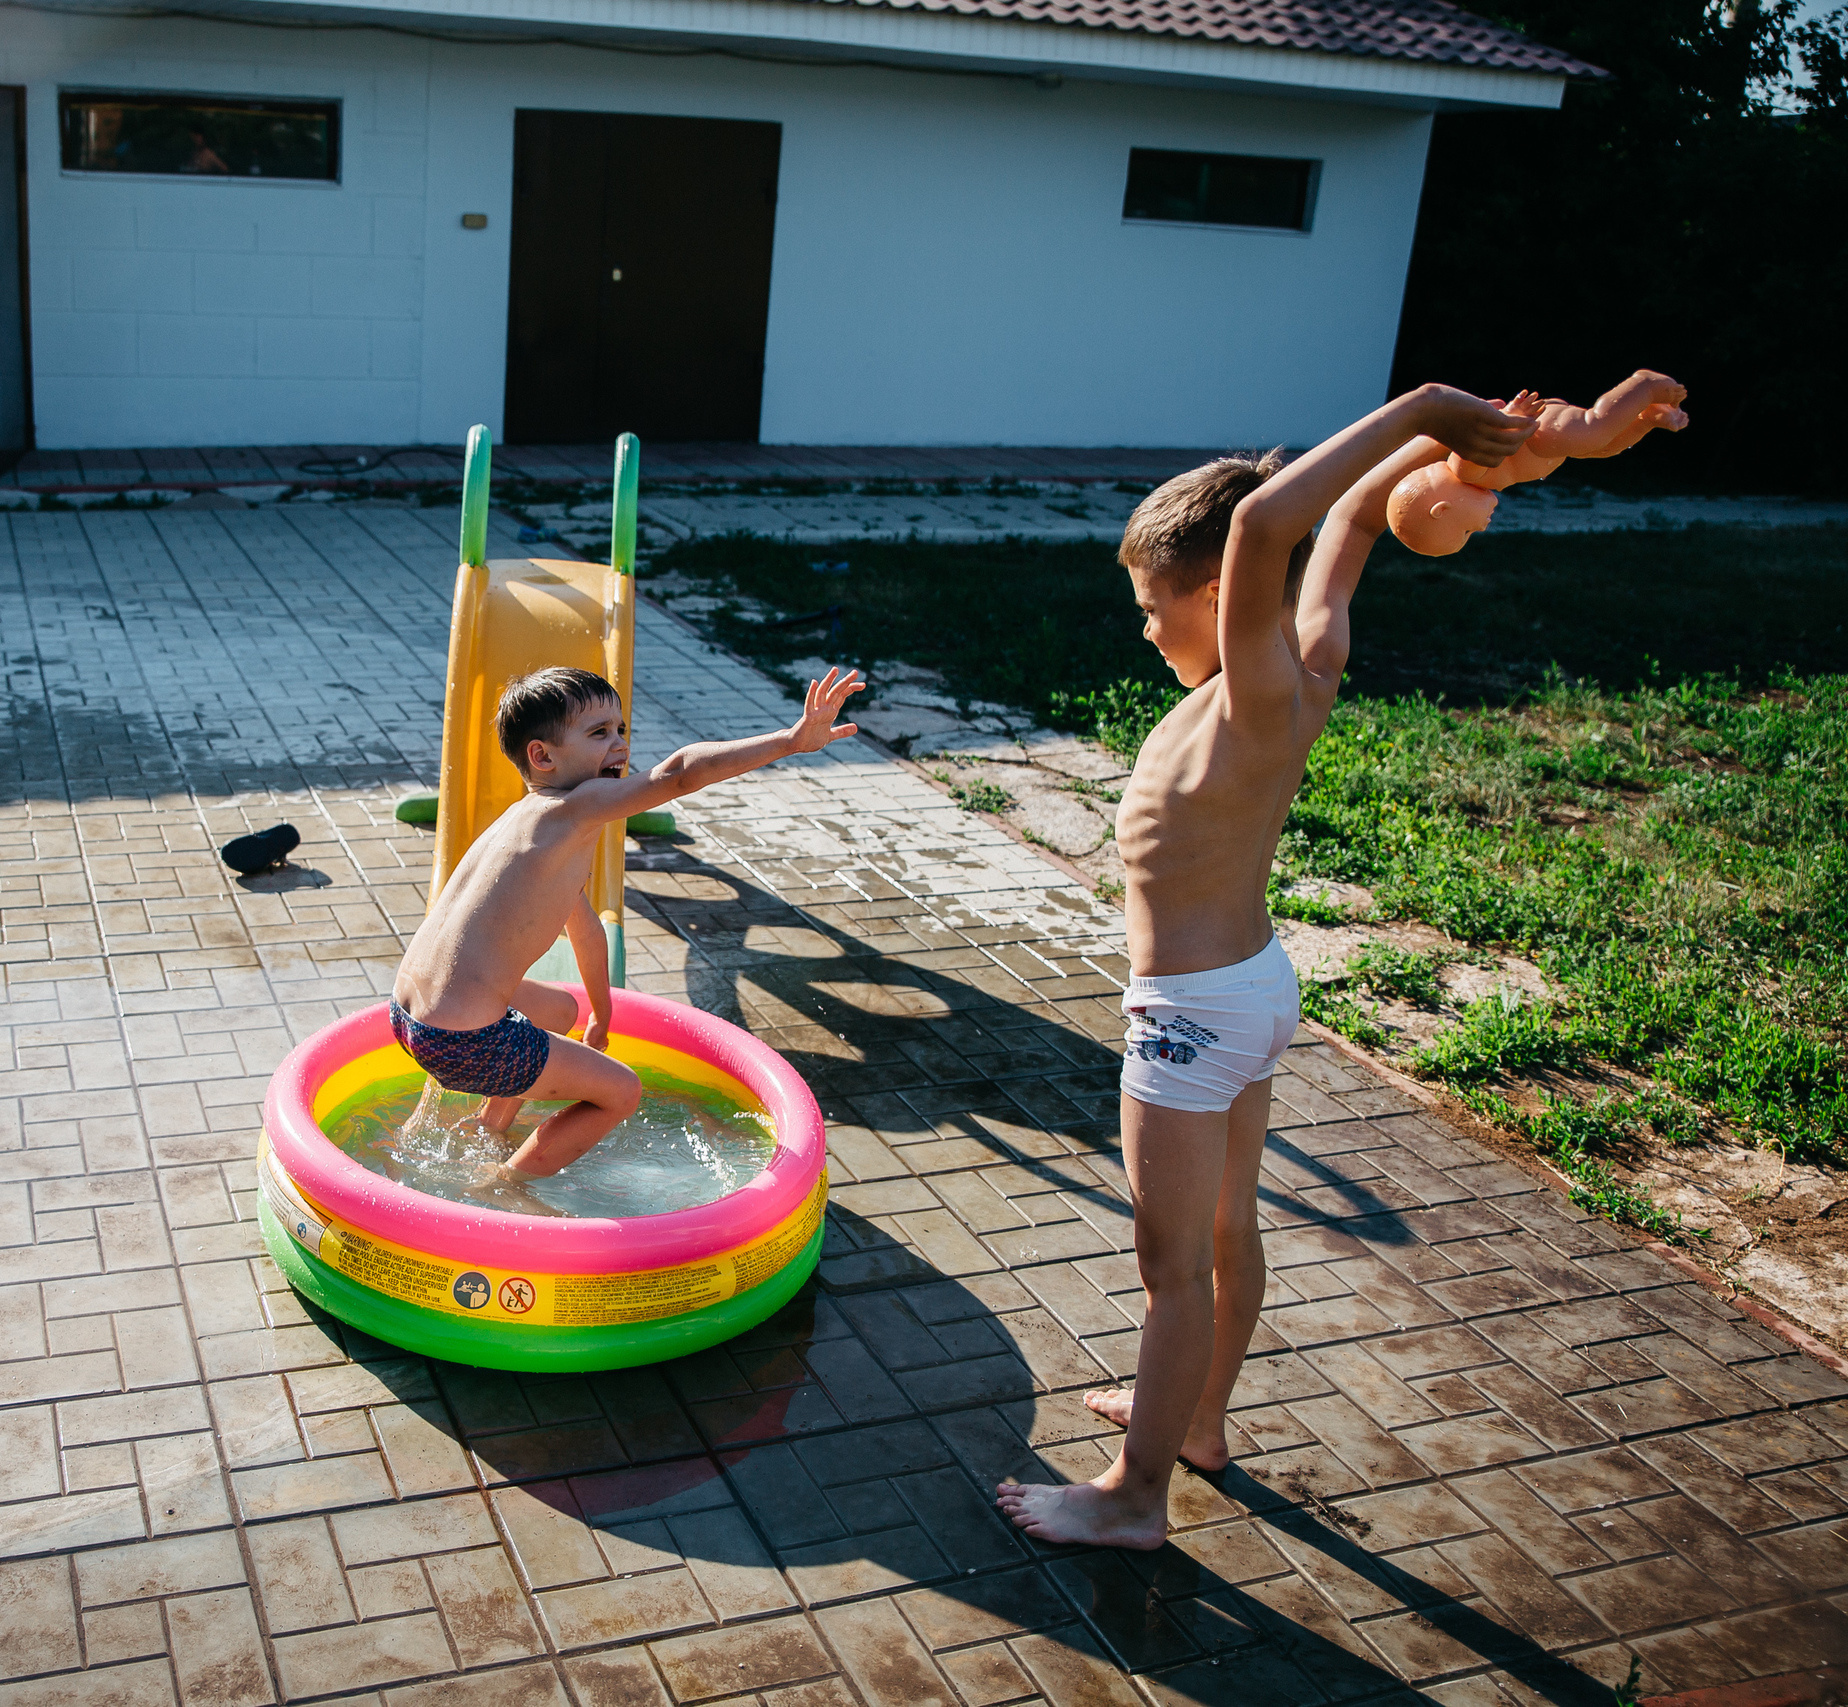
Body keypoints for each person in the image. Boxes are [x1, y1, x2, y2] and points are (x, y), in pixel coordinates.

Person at [995, 385, 1535, 1550]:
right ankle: (1198, 1428)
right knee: (1229, 1235)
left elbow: (1264, 531)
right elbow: (1336, 533)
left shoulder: (1250, 687)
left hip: (1189, 1015)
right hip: (1251, 987)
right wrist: (1435, 455)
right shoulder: (1307, 652)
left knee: (1171, 1271)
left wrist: (1426, 407)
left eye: (1152, 606)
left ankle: (1132, 1499)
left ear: (1217, 595)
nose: (1145, 628)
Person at [391, 664, 866, 1203]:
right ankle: (502, 1188)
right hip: (467, 1039)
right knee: (620, 1091)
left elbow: (588, 936)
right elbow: (681, 773)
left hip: (409, 1016)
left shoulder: (531, 831)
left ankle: (489, 1125)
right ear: (542, 757)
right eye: (598, 734)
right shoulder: (574, 809)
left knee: (559, 1015)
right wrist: (789, 740)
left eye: (621, 731)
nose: (618, 746)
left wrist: (601, 1015)